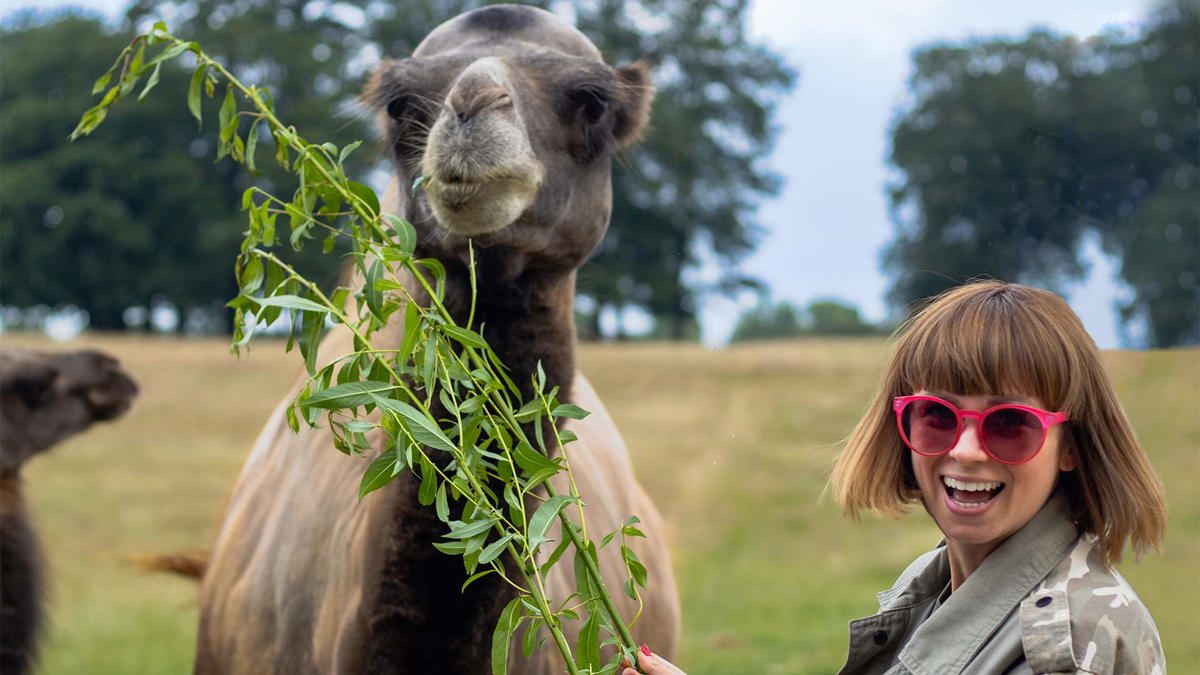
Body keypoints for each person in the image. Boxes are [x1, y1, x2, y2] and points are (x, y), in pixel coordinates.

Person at [626, 281, 1167, 675]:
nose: (968, 450)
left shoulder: (1061, 648)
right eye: (937, 416)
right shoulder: (936, 584)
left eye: (1010, 425)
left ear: (1069, 445)